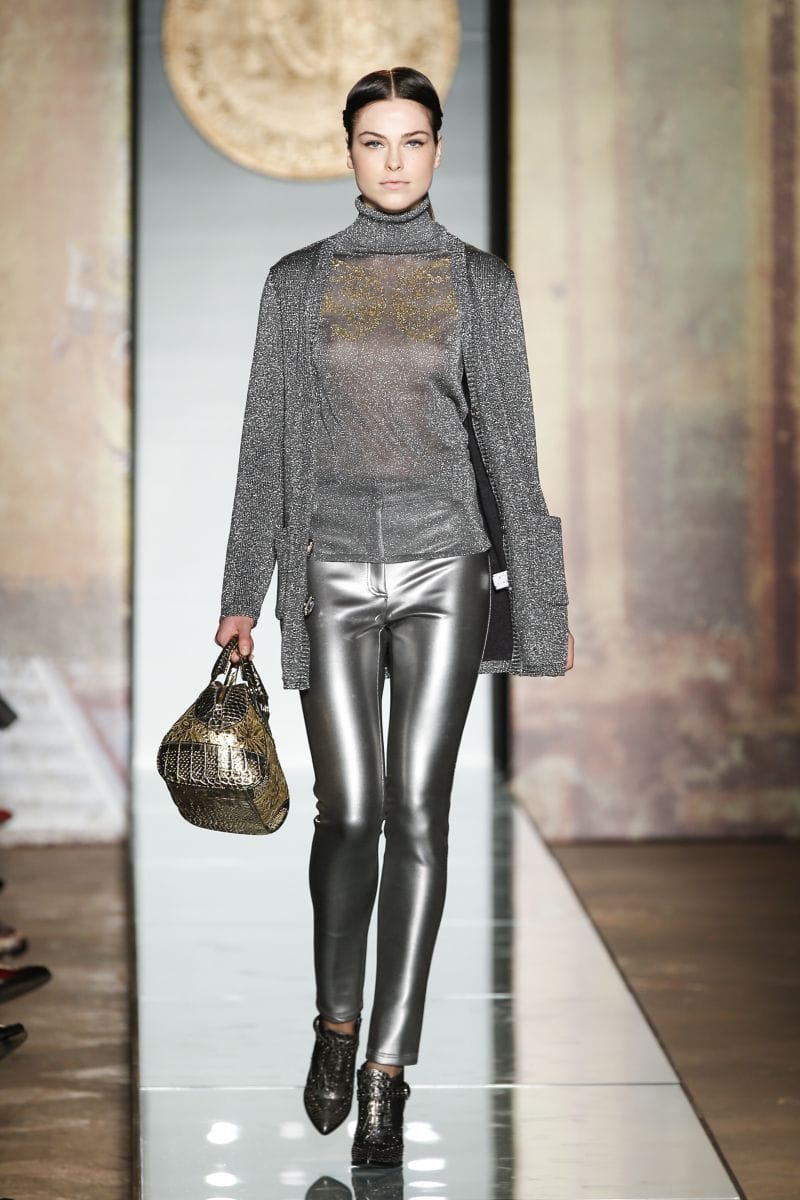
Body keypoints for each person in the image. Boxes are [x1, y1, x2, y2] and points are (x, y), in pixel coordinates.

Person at [215, 66, 575, 1169]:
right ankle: (336, 1021)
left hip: (443, 569)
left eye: (411, 141)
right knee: (349, 810)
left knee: (419, 812)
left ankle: (386, 1070)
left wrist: (541, 598)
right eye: (373, 141)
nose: (393, 161)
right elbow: (264, 443)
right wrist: (240, 595)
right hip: (326, 567)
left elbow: (508, 446)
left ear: (436, 150)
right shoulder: (295, 284)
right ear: (348, 153)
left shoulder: (479, 285)